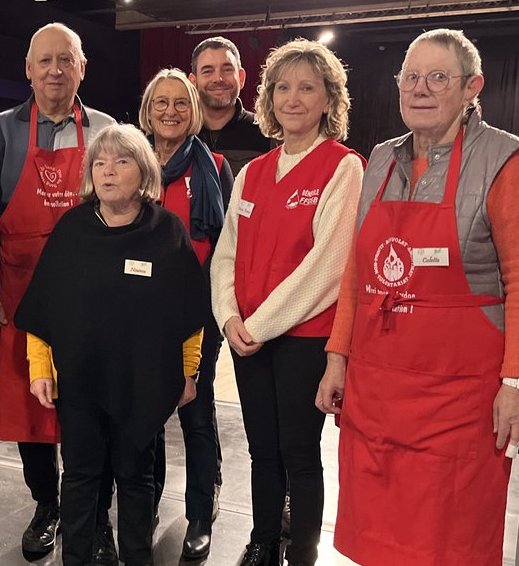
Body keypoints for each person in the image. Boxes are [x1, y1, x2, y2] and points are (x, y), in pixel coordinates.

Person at [316, 29, 519, 565]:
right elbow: (357, 272)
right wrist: (336, 357)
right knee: (377, 530)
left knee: (449, 537)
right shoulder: (379, 159)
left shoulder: (504, 162)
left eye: (438, 77)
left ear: (473, 88)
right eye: (410, 77)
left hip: (458, 398)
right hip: (377, 387)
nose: (420, 89)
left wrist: (517, 383)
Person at [15, 124, 209, 566]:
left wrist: (188, 371)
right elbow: (42, 308)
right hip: (80, 383)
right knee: (81, 478)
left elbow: (190, 313)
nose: (108, 171)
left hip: (144, 381)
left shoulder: (167, 231)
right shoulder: (73, 230)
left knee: (137, 479)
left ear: (142, 172)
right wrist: (40, 367)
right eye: (99, 163)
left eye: (121, 161)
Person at [210, 38, 364, 566]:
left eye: (307, 87)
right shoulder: (253, 172)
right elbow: (226, 252)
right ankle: (260, 540)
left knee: (300, 455)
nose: (292, 98)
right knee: (262, 451)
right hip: (249, 337)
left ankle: (301, 551)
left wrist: (259, 324)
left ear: (328, 99)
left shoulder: (344, 168)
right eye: (282, 87)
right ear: (268, 98)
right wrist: (229, 316)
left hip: (303, 340)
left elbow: (328, 266)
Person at [0, 22, 118, 560]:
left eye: (66, 60)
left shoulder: (106, 129)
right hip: (20, 294)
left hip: (91, 298)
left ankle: (97, 517)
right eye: (45, 61)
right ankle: (46, 507)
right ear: (28, 69)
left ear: (82, 67)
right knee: (33, 416)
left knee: (90, 409)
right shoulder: (2, 131)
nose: (55, 70)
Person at [137, 68, 233, 560]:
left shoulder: (213, 166)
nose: (170, 111)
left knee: (195, 410)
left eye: (180, 103)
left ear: (193, 110)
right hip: (141, 312)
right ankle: (146, 504)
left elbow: (224, 246)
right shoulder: (133, 162)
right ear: (148, 109)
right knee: (148, 416)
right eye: (161, 102)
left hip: (196, 313)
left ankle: (199, 513)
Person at [190, 36, 276, 175]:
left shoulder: (267, 134)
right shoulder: (181, 134)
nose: (218, 79)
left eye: (227, 69)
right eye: (208, 71)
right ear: (193, 82)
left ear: (241, 78)